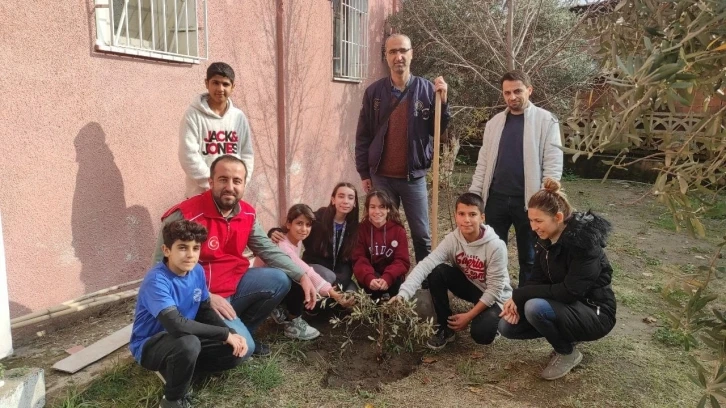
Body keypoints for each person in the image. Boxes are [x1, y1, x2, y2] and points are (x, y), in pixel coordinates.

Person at [153, 155, 316, 358]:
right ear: (211, 182)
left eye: (236, 181)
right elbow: (161, 268)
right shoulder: (185, 215)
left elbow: (268, 249)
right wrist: (206, 295)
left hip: (233, 285)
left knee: (279, 279)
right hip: (201, 297)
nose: (230, 186)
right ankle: (191, 346)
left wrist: (302, 275)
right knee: (243, 350)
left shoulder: (247, 213)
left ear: (244, 184)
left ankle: (242, 331)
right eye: (223, 179)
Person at [498, 178, 616, 380]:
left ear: (558, 217)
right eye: (531, 220)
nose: (533, 227)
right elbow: (536, 278)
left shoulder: (584, 245)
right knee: (507, 327)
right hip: (565, 306)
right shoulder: (544, 239)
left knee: (535, 307)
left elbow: (570, 292)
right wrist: (516, 301)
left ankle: (567, 353)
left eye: (538, 221)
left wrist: (521, 294)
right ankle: (567, 337)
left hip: (595, 312)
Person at [131, 220, 249, 408]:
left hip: (185, 337)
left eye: (196, 248)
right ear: (167, 250)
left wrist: (231, 333)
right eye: (183, 248)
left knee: (235, 352)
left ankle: (181, 370)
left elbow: (203, 309)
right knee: (188, 343)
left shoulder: (197, 271)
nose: (190, 255)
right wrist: (224, 334)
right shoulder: (156, 280)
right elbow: (176, 324)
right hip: (150, 345)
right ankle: (172, 400)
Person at [355, 33, 451, 264]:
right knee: (383, 232)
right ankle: (387, 281)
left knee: (421, 235)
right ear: (386, 57)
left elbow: (438, 130)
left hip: (413, 177)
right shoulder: (374, 93)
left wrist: (444, 101)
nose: (398, 56)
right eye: (392, 52)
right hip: (381, 177)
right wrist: (364, 172)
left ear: (411, 54)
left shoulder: (427, 90)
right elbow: (363, 135)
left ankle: (425, 281)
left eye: (403, 51)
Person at [469, 70, 563, 286]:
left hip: (529, 202)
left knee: (530, 257)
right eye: (507, 92)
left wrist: (544, 198)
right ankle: (495, 296)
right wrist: (475, 195)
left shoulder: (546, 120)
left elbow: (553, 161)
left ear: (529, 90)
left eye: (517, 91)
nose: (512, 97)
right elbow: (483, 162)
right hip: (496, 199)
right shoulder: (494, 123)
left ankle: (524, 300)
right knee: (492, 252)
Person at [392, 193, 512, 350]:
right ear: (456, 216)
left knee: (481, 334)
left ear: (482, 217)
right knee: (437, 271)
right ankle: (445, 327)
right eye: (461, 214)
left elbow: (495, 289)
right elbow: (426, 264)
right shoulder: (452, 240)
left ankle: (495, 322)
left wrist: (468, 317)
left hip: (496, 297)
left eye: (472, 214)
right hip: (472, 287)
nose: (466, 220)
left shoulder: (496, 246)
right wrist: (403, 294)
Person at [254, 204, 354, 340]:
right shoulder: (282, 243)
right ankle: (293, 322)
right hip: (261, 290)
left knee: (298, 277)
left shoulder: (294, 239)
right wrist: (334, 294)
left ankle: (279, 307)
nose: (304, 229)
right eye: (299, 223)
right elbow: (304, 270)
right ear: (288, 224)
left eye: (308, 225)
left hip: (271, 284)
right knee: (301, 281)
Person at [179, 62, 254, 198]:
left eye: (225, 84)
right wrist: (212, 184)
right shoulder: (193, 115)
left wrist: (239, 184)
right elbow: (188, 155)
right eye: (215, 83)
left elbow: (247, 154)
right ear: (207, 83)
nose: (220, 88)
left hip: (230, 197)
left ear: (233, 87)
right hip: (200, 195)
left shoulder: (239, 117)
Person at [271, 182, 360, 293]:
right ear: (333, 200)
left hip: (338, 274)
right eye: (341, 196)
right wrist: (275, 231)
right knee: (329, 277)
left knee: (353, 293)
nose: (345, 201)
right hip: (314, 268)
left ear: (354, 203)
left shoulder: (354, 227)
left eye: (350, 198)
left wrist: (340, 282)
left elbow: (348, 262)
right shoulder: (319, 217)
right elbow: (298, 222)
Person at [352, 190, 411, 301]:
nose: (377, 211)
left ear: (388, 209)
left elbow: (402, 261)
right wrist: (369, 278)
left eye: (382, 207)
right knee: (374, 304)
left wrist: (388, 277)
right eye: (373, 207)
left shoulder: (398, 231)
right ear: (367, 209)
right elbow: (359, 259)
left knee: (393, 300)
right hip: (370, 278)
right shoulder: (361, 230)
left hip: (392, 278)